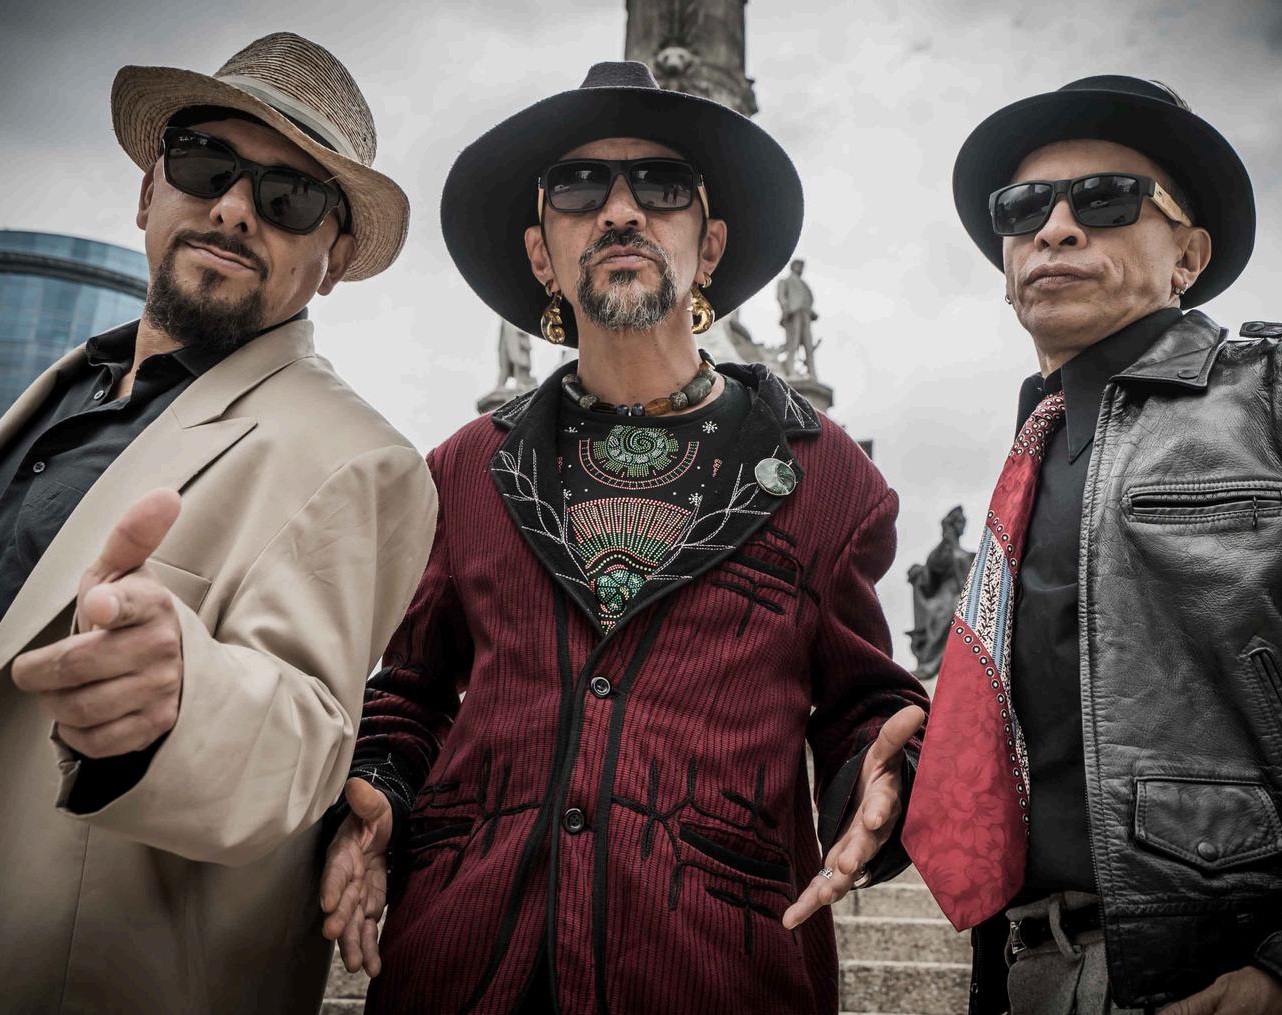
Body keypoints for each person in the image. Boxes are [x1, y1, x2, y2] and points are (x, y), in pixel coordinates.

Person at [319, 61, 927, 1014]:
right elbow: (411, 691)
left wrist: (883, 776)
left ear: (709, 244)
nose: (619, 210)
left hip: (716, 965)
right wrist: (376, 792)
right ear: (541, 254)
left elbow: (862, 702)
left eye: (662, 185)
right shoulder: (464, 470)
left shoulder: (825, 475)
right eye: (577, 188)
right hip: (468, 956)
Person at [902, 75, 1282, 1014]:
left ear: (1188, 254)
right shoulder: (1027, 461)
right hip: (1022, 968)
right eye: (1023, 207)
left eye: (1106, 199)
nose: (1056, 228)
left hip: (1240, 966)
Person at [0, 32, 435, 1013]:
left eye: (289, 198)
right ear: (148, 191)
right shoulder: (65, 386)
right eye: (206, 163)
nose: (235, 207)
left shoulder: (361, 457)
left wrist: (183, 699)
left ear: (333, 260)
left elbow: (307, 737)